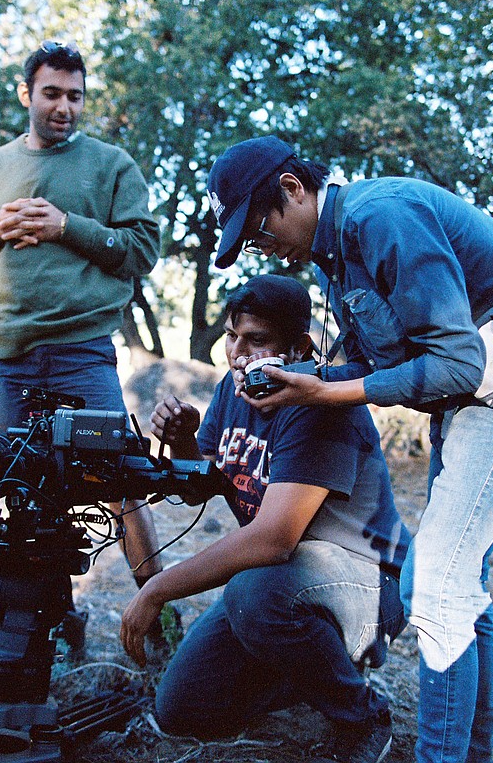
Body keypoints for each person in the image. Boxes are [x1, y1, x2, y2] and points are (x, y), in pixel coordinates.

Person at [204, 137, 493, 763]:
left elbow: (456, 360)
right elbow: (384, 361)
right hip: (469, 400)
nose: (259, 244)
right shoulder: (332, 253)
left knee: (435, 586)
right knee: (462, 586)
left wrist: (329, 391)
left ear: (294, 188)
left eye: (260, 224)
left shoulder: (380, 217)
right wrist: (308, 383)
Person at [120, 275, 411, 763]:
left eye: (257, 340)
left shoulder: (319, 400)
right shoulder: (234, 392)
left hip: (365, 589)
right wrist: (183, 441)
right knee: (181, 709)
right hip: (287, 588)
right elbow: (204, 487)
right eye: (233, 336)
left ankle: (362, 716)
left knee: (251, 591)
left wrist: (158, 587)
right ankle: (304, 671)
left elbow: (274, 539)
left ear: (298, 347)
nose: (238, 353)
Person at [0, 41, 164, 591]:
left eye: (75, 96)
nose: (64, 107)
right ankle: (48, 622)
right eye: (51, 94)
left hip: (84, 354)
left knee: (120, 481)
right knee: (21, 491)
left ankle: (156, 610)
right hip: (10, 361)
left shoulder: (112, 165)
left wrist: (66, 226)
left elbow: (142, 251)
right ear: (27, 94)